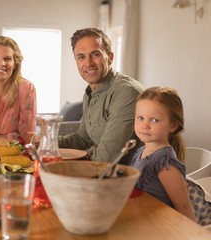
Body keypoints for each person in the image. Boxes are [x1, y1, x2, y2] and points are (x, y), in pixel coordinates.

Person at [58, 27, 144, 164]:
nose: (88, 63)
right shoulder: (90, 93)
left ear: (110, 57)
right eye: (81, 57)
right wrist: (44, 142)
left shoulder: (126, 92)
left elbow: (107, 157)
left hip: (128, 178)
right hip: (103, 173)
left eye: (95, 54)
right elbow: (82, 139)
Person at [131, 86, 195, 221]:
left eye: (154, 120)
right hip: (141, 219)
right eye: (140, 118)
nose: (145, 125)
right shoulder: (140, 151)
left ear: (173, 125)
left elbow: (184, 208)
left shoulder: (165, 162)